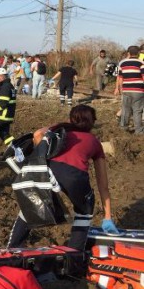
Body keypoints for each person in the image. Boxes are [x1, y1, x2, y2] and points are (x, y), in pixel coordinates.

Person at [7, 105, 118, 250]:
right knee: (84, 210)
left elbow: (38, 134)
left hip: (48, 172)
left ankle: (13, 246)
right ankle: (74, 253)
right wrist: (107, 217)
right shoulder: (95, 142)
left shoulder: (61, 131)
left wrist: (56, 129)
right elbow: (103, 185)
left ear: (71, 119)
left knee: (32, 204)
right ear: (93, 123)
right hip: (75, 177)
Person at [114, 45, 144, 135]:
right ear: (138, 53)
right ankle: (139, 131)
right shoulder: (141, 63)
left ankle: (123, 128)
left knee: (126, 109)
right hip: (138, 90)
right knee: (137, 111)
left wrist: (117, 88)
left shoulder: (122, 63)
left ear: (128, 53)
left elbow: (120, 77)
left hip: (126, 90)